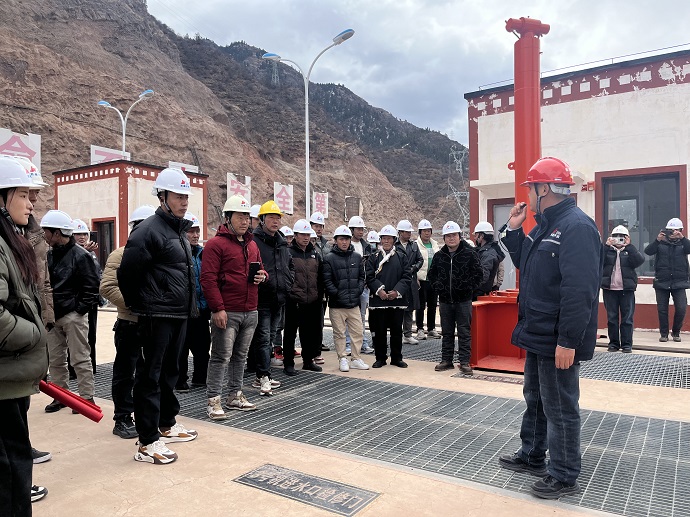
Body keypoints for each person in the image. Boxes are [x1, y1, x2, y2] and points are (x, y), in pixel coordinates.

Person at [497, 157, 603, 500]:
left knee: (560, 407)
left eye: (531, 187)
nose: (528, 194)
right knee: (537, 399)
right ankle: (532, 454)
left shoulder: (577, 228)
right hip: (539, 332)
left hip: (558, 337)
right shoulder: (546, 226)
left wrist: (568, 341)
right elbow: (526, 264)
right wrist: (515, 229)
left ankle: (564, 474)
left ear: (544, 189)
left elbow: (580, 290)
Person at [118, 168, 199, 465]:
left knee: (170, 373)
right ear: (162, 197)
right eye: (178, 196)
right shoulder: (147, 231)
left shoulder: (177, 231)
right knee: (150, 377)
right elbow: (127, 275)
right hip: (156, 315)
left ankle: (166, 423)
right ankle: (147, 441)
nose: (184, 202)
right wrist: (142, 306)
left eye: (186, 196)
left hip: (178, 313)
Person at [0, 156, 49, 514]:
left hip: (12, 376)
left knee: (15, 468)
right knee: (10, 472)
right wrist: (34, 335)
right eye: (22, 195)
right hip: (4, 380)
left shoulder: (12, 241)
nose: (31, 204)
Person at [201, 195, 265, 420]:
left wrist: (263, 276)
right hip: (227, 311)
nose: (245, 221)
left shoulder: (252, 245)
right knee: (221, 356)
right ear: (227, 218)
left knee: (241, 356)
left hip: (250, 309)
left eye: (247, 217)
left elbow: (261, 269)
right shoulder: (215, 245)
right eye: (240, 217)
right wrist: (218, 308)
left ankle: (235, 395)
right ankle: (213, 400)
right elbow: (208, 279)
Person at [100, 205, 156, 439]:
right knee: (125, 373)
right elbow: (107, 287)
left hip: (155, 324)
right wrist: (134, 304)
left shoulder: (160, 255)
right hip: (129, 323)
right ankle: (122, 417)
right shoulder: (120, 255)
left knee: (150, 374)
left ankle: (147, 417)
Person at [41, 210, 100, 413]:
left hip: (72, 315)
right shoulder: (49, 255)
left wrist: (79, 310)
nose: (44, 235)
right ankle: (61, 397)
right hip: (53, 316)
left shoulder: (81, 256)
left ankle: (86, 398)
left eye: (46, 231)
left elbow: (92, 287)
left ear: (57, 233)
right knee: (56, 360)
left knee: (80, 358)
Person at [247, 200, 294, 395]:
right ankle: (264, 375)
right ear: (262, 219)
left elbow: (289, 266)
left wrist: (288, 283)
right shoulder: (254, 242)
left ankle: (262, 375)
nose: (275, 221)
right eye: (271, 217)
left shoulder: (281, 242)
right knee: (263, 339)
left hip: (279, 298)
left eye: (278, 218)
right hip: (262, 299)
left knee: (271, 338)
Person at [427, 221, 483, 374]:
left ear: (459, 236)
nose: (451, 238)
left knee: (464, 332)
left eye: (454, 235)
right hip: (445, 300)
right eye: (448, 236)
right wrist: (440, 288)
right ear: (444, 238)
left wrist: (467, 288)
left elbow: (478, 275)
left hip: (463, 300)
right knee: (447, 332)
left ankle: (464, 362)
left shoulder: (470, 254)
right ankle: (447, 360)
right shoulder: (439, 256)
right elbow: (432, 275)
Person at [324, 225, 370, 372]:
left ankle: (356, 358)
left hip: (353, 303)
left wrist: (357, 291)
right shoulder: (329, 258)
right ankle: (342, 358)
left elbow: (361, 277)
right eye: (341, 239)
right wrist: (336, 293)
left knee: (358, 332)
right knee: (339, 334)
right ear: (336, 240)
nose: (344, 242)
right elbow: (327, 281)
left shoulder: (356, 257)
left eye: (347, 239)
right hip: (337, 304)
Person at [365, 224, 412, 368]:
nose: (386, 241)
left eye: (389, 238)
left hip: (396, 300)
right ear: (380, 240)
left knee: (396, 331)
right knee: (380, 331)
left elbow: (407, 276)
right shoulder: (373, 257)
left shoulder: (401, 257)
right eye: (384, 238)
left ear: (394, 240)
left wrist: (396, 291)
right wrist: (379, 290)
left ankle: (396, 358)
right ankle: (380, 358)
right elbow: (369, 276)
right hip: (379, 300)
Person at [175, 212, 211, 392]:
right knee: (181, 348)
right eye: (191, 231)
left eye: (197, 231)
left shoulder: (204, 254)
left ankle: (200, 378)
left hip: (202, 309)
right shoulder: (177, 253)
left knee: (203, 347)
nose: (195, 235)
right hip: (183, 310)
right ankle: (180, 380)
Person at [282, 219, 324, 375]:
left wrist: (318, 296)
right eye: (302, 235)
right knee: (290, 333)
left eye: (308, 235)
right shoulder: (288, 253)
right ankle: (288, 363)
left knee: (309, 333)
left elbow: (320, 277)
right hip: (293, 300)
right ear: (295, 235)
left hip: (311, 300)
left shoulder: (315, 254)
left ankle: (308, 361)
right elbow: (285, 276)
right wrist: (290, 294)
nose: (306, 238)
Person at [644, 217, 690, 342]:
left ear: (681, 230)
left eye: (675, 230)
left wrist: (682, 238)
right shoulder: (660, 243)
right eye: (670, 230)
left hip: (679, 282)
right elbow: (648, 251)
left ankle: (676, 332)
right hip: (662, 281)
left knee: (681, 308)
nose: (672, 233)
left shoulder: (683, 244)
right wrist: (657, 240)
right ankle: (664, 334)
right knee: (662, 310)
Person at [602, 225, 645, 352]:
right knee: (612, 318)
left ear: (627, 238)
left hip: (627, 290)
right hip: (609, 289)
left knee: (627, 318)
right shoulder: (607, 250)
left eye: (621, 237)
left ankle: (627, 344)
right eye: (615, 236)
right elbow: (598, 260)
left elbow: (639, 261)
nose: (618, 239)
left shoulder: (630, 251)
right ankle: (613, 343)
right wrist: (606, 246)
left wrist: (629, 246)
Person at [72, 219, 100, 374]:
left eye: (84, 234)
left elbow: (96, 275)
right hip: (76, 302)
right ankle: (73, 370)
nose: (82, 237)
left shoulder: (91, 254)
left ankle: (91, 366)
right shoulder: (71, 254)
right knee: (76, 338)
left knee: (91, 336)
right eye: (78, 234)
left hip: (91, 301)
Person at [346, 216, 374, 354]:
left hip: (363, 286)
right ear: (351, 230)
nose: (361, 231)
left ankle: (363, 342)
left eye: (362, 229)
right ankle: (348, 344)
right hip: (349, 285)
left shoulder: (366, 246)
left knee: (361, 316)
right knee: (348, 316)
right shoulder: (346, 245)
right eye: (358, 229)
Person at [396, 220, 424, 345]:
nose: (409, 234)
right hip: (398, 280)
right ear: (400, 232)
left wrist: (413, 269)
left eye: (409, 232)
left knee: (409, 307)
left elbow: (420, 260)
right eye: (406, 232)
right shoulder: (395, 246)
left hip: (411, 280)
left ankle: (407, 334)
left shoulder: (414, 246)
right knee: (398, 308)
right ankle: (397, 334)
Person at [415, 219, 441, 340]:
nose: (427, 233)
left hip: (433, 279)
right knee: (420, 305)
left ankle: (431, 328)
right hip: (421, 279)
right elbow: (413, 262)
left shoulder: (435, 244)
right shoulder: (416, 245)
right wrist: (415, 277)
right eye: (424, 231)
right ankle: (420, 329)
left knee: (432, 304)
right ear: (420, 232)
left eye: (429, 231)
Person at [472, 221, 506, 299]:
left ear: (482, 236)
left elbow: (483, 276)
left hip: (479, 295)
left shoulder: (488, 254)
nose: (474, 238)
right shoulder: (485, 251)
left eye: (476, 235)